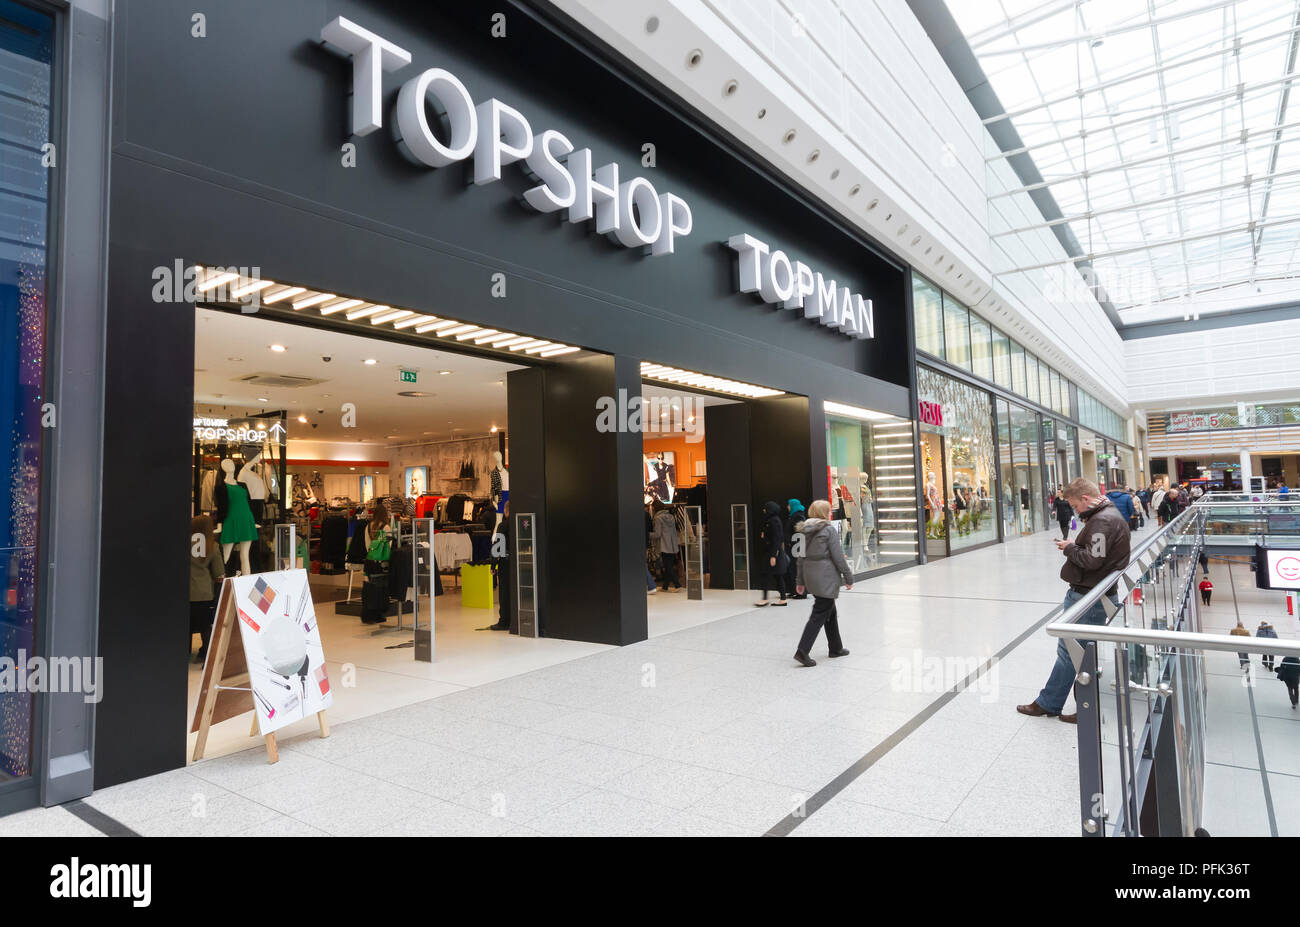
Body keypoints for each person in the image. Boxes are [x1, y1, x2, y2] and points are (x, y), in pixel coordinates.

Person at [1017, 478, 1130, 723]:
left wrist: (1069, 547)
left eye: (1075, 506)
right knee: (1075, 652)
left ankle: (1071, 705)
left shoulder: (1102, 522)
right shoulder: (1106, 515)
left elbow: (1092, 560)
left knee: (1073, 653)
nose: (1075, 511)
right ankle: (1055, 702)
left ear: (1085, 499)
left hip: (1089, 597)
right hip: (1095, 594)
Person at [792, 499, 853, 667]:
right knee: (819, 613)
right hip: (825, 575)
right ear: (825, 513)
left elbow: (800, 558)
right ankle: (802, 651)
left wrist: (800, 580)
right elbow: (838, 556)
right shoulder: (828, 530)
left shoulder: (802, 531)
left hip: (810, 574)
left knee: (829, 610)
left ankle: (835, 647)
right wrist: (848, 576)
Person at [189, 515, 225, 664]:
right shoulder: (213, 546)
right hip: (204, 592)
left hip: (185, 592)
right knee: (205, 625)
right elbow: (219, 573)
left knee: (186, 624)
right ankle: (205, 653)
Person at [755, 500, 789, 606]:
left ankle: (767, 599)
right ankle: (782, 598)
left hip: (773, 552)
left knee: (766, 574)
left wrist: (773, 555)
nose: (764, 510)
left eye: (766, 508)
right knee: (777, 575)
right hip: (773, 552)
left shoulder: (773, 521)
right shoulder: (773, 520)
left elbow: (776, 539)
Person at [652, 503, 681, 592]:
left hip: (664, 545)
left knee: (667, 566)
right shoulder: (671, 517)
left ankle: (677, 584)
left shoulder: (657, 518)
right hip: (672, 545)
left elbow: (657, 534)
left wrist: (647, 534)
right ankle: (665, 586)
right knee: (669, 565)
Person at [785, 499, 807, 599]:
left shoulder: (798, 516)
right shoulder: (794, 515)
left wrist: (791, 541)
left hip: (797, 547)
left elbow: (799, 532)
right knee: (793, 569)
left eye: (789, 505)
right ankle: (795, 590)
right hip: (795, 546)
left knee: (797, 569)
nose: (787, 507)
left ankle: (801, 593)